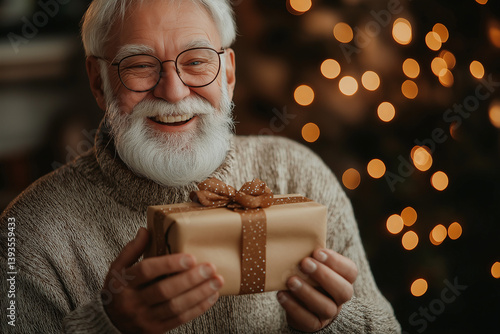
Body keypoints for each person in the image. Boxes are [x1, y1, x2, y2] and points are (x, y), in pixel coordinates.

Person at [0, 0, 401, 333]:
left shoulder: (298, 172)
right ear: (98, 82)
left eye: (195, 62)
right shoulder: (26, 232)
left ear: (228, 73)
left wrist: (337, 321)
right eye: (139, 65)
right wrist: (109, 325)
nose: (173, 92)